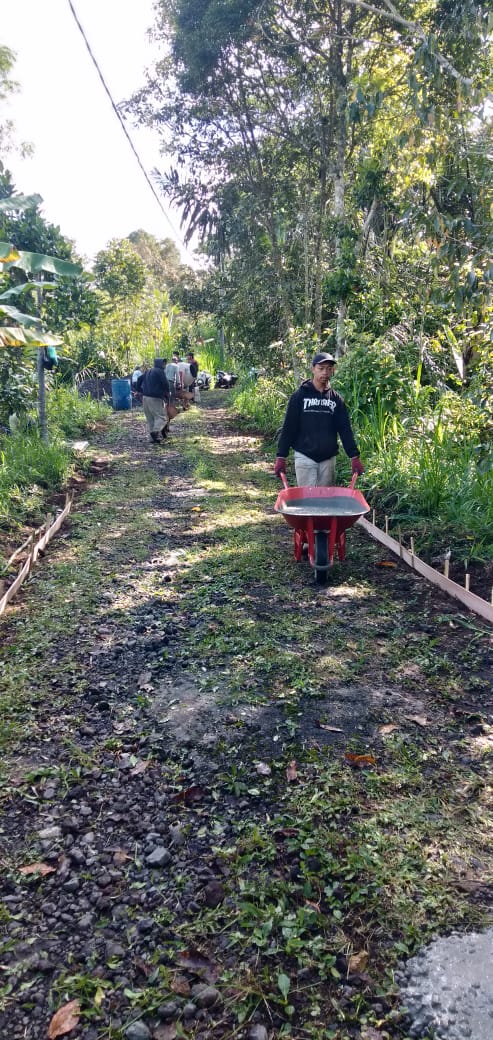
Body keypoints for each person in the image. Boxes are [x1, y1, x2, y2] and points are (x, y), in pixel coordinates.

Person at [274, 351, 364, 486]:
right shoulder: (299, 396)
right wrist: (281, 456)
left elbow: (345, 429)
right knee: (309, 501)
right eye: (321, 369)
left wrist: (354, 456)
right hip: (304, 456)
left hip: (328, 459)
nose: (325, 373)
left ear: (332, 370)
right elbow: (289, 427)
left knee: (325, 502)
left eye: (329, 369)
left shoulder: (336, 399)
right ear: (313, 369)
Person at [136, 358, 170, 444]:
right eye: (163, 364)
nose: (164, 365)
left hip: (145, 397)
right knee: (162, 418)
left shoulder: (148, 371)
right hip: (155, 398)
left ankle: (152, 439)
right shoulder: (160, 371)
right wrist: (167, 393)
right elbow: (165, 383)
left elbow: (139, 379)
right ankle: (155, 432)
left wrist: (139, 390)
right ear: (160, 364)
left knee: (150, 418)